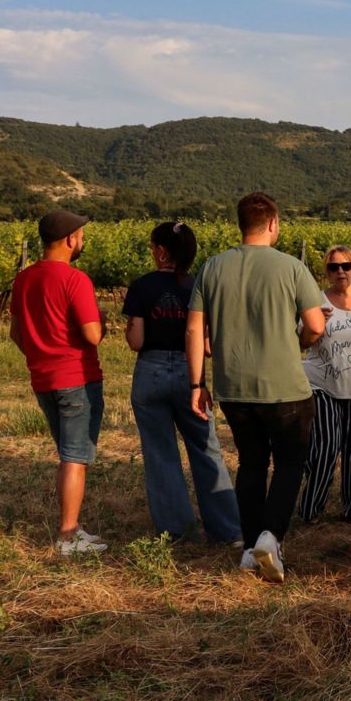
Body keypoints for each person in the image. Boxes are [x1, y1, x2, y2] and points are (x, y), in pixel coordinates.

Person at [188, 193, 326, 582]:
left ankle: (250, 548)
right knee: (289, 463)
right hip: (285, 387)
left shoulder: (212, 267)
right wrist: (299, 341)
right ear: (273, 224)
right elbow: (316, 326)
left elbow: (195, 329)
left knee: (250, 464)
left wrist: (196, 383)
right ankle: (272, 536)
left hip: (233, 388)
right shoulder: (291, 267)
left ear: (241, 224)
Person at [123, 221, 238, 544]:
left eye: (152, 247)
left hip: (151, 371)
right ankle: (228, 530)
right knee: (206, 449)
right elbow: (208, 346)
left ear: (161, 252)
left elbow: (136, 340)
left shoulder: (142, 286)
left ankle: (176, 531)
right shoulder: (199, 286)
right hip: (192, 374)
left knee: (160, 454)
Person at [11, 209, 108, 557]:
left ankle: (73, 528)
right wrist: (102, 321)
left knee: (68, 455)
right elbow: (92, 335)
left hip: (43, 380)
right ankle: (68, 535)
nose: (82, 241)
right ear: (70, 239)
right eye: (81, 236)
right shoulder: (75, 279)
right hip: (77, 379)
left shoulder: (24, 279)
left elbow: (16, 334)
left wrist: (42, 354)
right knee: (75, 458)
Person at [298, 245, 351, 525]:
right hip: (321, 385)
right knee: (324, 447)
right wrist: (316, 326)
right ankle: (310, 509)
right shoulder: (317, 301)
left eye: (346, 266)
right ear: (327, 272)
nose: (340, 271)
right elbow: (302, 344)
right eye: (334, 267)